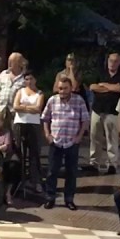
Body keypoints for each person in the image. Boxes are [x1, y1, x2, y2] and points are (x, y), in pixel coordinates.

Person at [41, 76, 88, 210]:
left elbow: (85, 119)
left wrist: (79, 137)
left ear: (71, 88)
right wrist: (47, 134)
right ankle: (50, 198)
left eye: (65, 88)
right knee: (52, 171)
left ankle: (69, 199)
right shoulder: (52, 100)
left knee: (71, 172)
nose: (62, 91)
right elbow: (45, 118)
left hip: (72, 142)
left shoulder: (78, 101)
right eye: (60, 88)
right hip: (56, 141)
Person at [88, 52, 120, 174]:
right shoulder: (100, 72)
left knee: (112, 139)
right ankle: (94, 163)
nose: (112, 63)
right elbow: (93, 87)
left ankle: (112, 164)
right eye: (111, 60)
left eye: (115, 61)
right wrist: (111, 87)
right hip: (97, 110)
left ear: (119, 63)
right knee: (95, 137)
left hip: (112, 111)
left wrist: (103, 85)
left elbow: (119, 88)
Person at [10, 73, 44, 192]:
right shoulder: (21, 91)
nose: (29, 81)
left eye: (31, 79)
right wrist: (30, 108)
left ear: (35, 80)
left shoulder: (39, 93)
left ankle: (36, 181)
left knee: (34, 154)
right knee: (19, 152)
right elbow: (15, 106)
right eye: (26, 79)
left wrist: (23, 107)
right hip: (20, 124)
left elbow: (38, 109)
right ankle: (20, 180)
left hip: (34, 125)